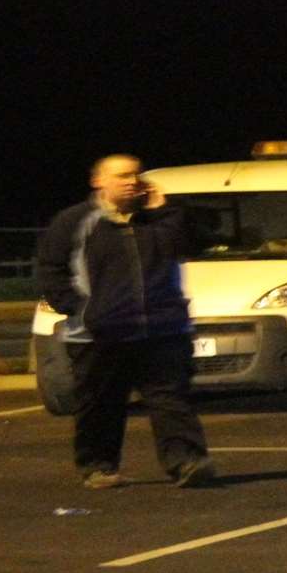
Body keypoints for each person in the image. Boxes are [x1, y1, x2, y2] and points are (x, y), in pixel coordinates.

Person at [36, 154, 214, 489]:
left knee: (171, 400)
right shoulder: (76, 221)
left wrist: (166, 209)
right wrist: (80, 309)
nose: (131, 181)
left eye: (135, 175)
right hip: (98, 334)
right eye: (121, 176)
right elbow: (51, 269)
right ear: (99, 181)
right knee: (100, 404)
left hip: (162, 329)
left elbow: (196, 243)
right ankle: (98, 466)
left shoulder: (159, 219)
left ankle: (188, 462)